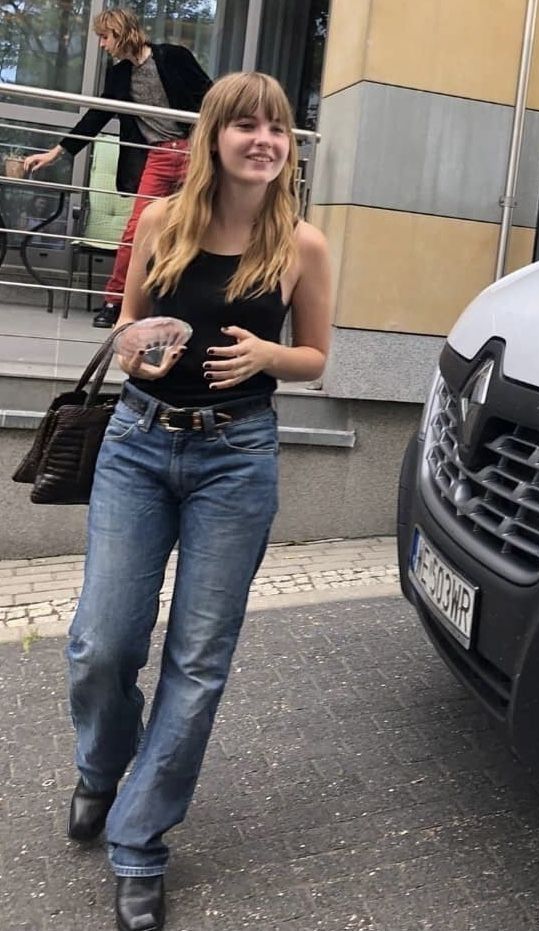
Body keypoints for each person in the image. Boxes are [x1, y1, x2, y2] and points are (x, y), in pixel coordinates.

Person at [65, 71, 331, 931]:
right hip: (138, 445)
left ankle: (139, 839)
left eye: (278, 129)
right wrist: (139, 351)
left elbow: (317, 356)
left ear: (288, 147)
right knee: (103, 642)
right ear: (214, 136)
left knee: (199, 658)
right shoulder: (159, 222)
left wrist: (267, 358)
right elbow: (130, 324)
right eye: (246, 125)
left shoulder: (302, 246)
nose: (263, 139)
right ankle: (104, 768)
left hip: (236, 457)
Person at [24, 8, 211, 328]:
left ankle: (186, 305)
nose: (102, 45)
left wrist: (214, 144)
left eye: (104, 37)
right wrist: (57, 152)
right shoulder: (119, 75)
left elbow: (212, 96)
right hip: (158, 157)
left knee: (197, 231)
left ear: (122, 33)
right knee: (137, 230)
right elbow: (96, 116)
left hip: (197, 155)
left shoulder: (174, 56)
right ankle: (114, 301)